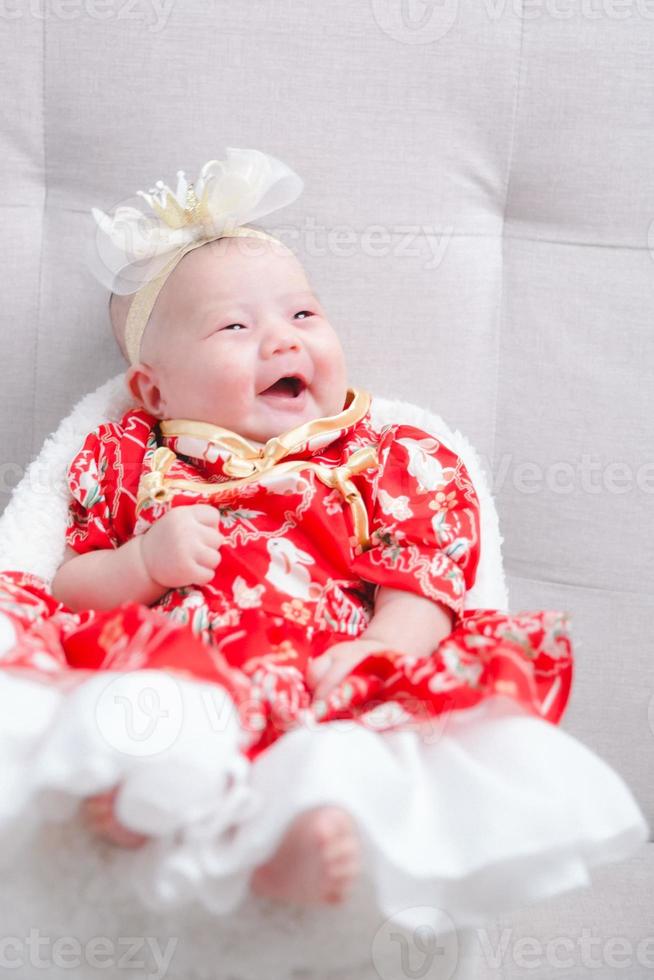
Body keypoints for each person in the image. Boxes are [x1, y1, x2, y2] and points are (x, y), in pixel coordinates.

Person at [0, 149, 646, 927]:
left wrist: (385, 645)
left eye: (303, 315)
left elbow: (428, 571)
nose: (282, 341)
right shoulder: (133, 459)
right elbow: (62, 586)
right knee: (154, 711)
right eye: (235, 327)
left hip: (323, 675)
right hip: (184, 665)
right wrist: (142, 562)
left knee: (341, 759)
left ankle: (292, 845)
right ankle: (149, 806)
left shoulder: (382, 453)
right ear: (154, 389)